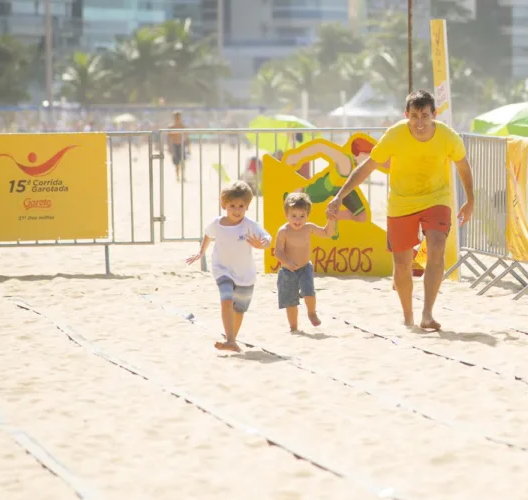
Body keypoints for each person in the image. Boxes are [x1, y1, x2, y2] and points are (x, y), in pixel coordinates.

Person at [326, 89, 474, 330]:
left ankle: (427, 313)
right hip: (401, 202)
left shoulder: (448, 137)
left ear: (434, 114)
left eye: (425, 116)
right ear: (407, 114)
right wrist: (340, 195)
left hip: (436, 198)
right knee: (402, 264)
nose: (419, 122)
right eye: (414, 116)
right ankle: (408, 316)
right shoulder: (394, 135)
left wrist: (471, 200)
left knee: (437, 249)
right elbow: (367, 167)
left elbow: (463, 165)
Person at [186, 181, 271, 352]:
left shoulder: (249, 225)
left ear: (247, 206)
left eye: (241, 206)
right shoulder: (217, 223)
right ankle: (230, 339)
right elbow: (208, 235)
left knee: (239, 310)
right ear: (224, 204)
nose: (236, 210)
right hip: (222, 270)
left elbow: (267, 238)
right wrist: (201, 252)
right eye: (232, 206)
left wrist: (261, 244)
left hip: (245, 275)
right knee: (226, 300)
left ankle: (232, 339)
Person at [273, 192, 336, 332]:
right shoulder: (284, 231)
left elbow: (327, 233)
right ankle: (293, 326)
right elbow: (278, 251)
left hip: (305, 268)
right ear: (286, 215)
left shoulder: (309, 228)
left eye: (302, 216)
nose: (297, 220)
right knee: (291, 302)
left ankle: (311, 312)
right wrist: (287, 261)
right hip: (287, 271)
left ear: (307, 216)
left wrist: (331, 221)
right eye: (293, 216)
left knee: (309, 293)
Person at [167, 111, 189, 182]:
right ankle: (177, 176)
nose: (177, 118)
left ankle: (183, 176)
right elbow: (168, 138)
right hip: (174, 145)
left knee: (183, 162)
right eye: (176, 117)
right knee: (176, 163)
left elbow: (187, 137)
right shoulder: (171, 127)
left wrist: (189, 148)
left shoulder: (183, 126)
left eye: (178, 117)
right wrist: (169, 147)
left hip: (181, 145)